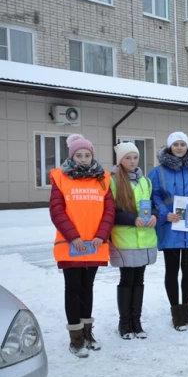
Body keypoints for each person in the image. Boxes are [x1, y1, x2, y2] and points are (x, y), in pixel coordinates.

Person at [49, 134, 115, 357]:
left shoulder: (103, 179)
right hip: (71, 245)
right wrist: (74, 237)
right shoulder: (60, 178)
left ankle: (88, 332)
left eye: (87, 155)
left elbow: (109, 211)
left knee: (88, 288)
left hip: (95, 244)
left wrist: (102, 235)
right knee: (73, 288)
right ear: (72, 156)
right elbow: (57, 211)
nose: (84, 159)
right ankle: (75, 337)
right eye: (79, 155)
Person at [149, 132, 188, 331]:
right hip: (171, 228)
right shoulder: (158, 172)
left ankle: (187, 311)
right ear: (169, 147)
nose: (179, 147)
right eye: (175, 144)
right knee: (171, 270)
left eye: (182, 144)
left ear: (187, 146)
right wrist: (164, 214)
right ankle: (176, 312)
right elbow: (153, 196)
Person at [109, 142, 158, 340]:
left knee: (140, 280)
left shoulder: (145, 181)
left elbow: (152, 205)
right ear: (120, 160)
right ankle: (124, 323)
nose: (132, 161)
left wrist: (155, 215)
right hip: (125, 239)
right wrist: (132, 219)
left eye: (135, 157)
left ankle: (136, 322)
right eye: (127, 157)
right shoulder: (112, 181)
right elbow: (110, 213)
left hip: (145, 238)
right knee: (127, 280)